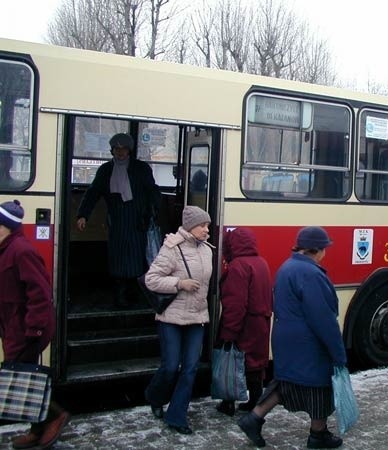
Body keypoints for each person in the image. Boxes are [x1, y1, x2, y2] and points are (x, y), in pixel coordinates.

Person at [237, 226, 346, 449]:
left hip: (285, 336)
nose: (326, 253)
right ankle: (318, 434)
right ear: (317, 249)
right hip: (308, 341)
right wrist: (338, 353)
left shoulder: (288, 266)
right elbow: (322, 318)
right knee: (320, 384)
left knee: (287, 382)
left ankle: (253, 418)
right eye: (325, 248)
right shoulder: (310, 273)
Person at [0, 200, 71, 449]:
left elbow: (40, 294)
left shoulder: (21, 251)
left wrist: (35, 329)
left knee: (21, 376)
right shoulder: (6, 249)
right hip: (14, 326)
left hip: (27, 328)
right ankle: (36, 428)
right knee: (22, 375)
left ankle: (55, 416)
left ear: (5, 226)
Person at [143, 206, 214, 435]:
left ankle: (177, 416)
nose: (206, 230)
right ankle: (154, 397)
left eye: (207, 226)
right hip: (171, 318)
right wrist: (179, 284)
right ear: (190, 226)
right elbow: (151, 280)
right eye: (203, 225)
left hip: (197, 316)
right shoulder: (171, 248)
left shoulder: (207, 250)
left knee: (191, 368)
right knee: (171, 366)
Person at [76, 133, 161, 308]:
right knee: (117, 258)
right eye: (117, 149)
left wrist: (157, 213)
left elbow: (153, 191)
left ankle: (136, 294)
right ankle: (120, 295)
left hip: (139, 222)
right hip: (116, 222)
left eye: (123, 149)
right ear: (112, 150)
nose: (120, 152)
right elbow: (93, 192)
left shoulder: (141, 169)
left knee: (138, 258)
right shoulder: (106, 170)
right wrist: (83, 215)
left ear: (129, 150)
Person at [215, 227, 273, 417]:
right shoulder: (262, 262)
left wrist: (229, 332)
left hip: (245, 324)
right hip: (262, 322)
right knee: (256, 363)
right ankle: (255, 400)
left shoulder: (238, 266)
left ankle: (228, 402)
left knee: (234, 362)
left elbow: (235, 304)